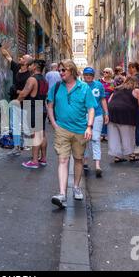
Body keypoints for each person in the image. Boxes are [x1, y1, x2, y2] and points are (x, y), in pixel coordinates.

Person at [47, 60, 97, 208]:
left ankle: (76, 187)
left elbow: (91, 109)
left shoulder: (84, 88)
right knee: (62, 160)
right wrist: (54, 123)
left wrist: (89, 127)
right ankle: (62, 193)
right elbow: (49, 105)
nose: (61, 73)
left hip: (80, 129)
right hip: (62, 128)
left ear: (72, 71)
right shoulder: (57, 87)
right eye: (60, 70)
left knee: (78, 159)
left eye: (64, 70)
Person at [0, 48, 34, 156]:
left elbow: (27, 91)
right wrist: (1, 46)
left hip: (23, 102)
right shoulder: (17, 68)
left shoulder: (29, 76)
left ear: (27, 63)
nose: (20, 58)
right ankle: (16, 147)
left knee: (24, 125)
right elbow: (8, 56)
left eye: (23, 58)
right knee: (14, 125)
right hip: (15, 102)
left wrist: (17, 91)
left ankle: (27, 144)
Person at [18, 59, 49, 169]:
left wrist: (16, 102)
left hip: (33, 108)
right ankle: (43, 158)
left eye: (30, 65)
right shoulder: (44, 80)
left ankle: (35, 160)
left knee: (35, 135)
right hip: (41, 108)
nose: (29, 66)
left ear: (35, 67)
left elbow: (24, 94)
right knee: (42, 134)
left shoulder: (32, 79)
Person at [82, 67, 109, 178]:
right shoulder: (80, 86)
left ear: (93, 76)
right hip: (83, 115)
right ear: (84, 75)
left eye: (90, 75)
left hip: (97, 115)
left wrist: (106, 113)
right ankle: (85, 162)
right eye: (86, 74)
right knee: (85, 139)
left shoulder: (99, 86)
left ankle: (97, 165)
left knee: (96, 138)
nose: (88, 76)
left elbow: (103, 99)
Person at [128, 62, 139, 154]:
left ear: (134, 68)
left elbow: (133, 89)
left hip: (137, 103)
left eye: (130, 68)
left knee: (137, 124)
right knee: (137, 124)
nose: (129, 70)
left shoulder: (135, 78)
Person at [100, 68, 115, 141]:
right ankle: (101, 134)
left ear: (110, 74)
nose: (105, 73)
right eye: (104, 72)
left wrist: (111, 99)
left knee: (107, 116)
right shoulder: (100, 81)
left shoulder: (112, 82)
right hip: (101, 100)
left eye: (107, 72)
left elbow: (114, 92)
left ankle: (106, 134)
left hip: (109, 100)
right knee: (101, 117)